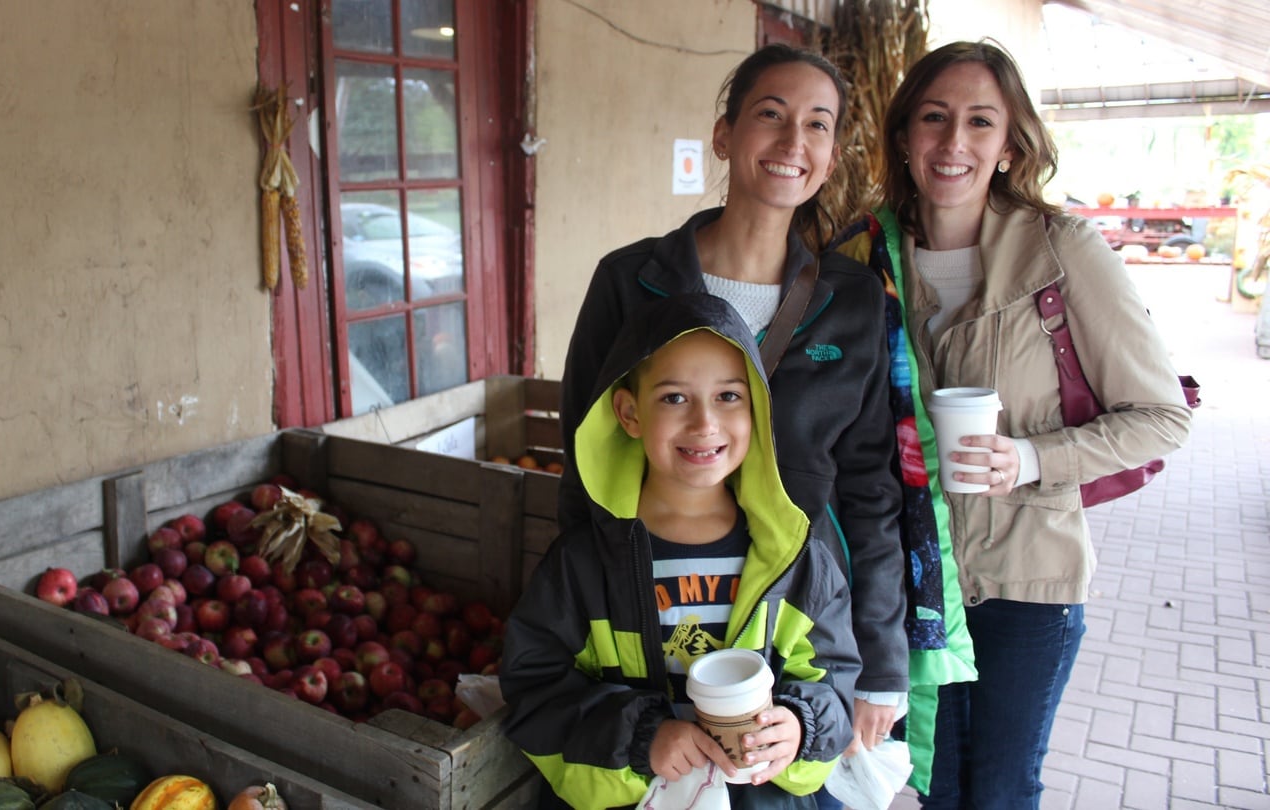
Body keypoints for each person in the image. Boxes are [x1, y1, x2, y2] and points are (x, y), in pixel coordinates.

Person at [556, 46, 909, 807]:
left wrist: (877, 666)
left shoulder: (851, 301)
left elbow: (871, 487)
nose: (792, 144)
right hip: (656, 606)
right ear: (724, 135)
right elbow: (582, 458)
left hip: (802, 616)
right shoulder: (632, 281)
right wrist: (582, 601)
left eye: (817, 125)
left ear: (831, 154)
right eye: (770, 116)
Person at [845, 40, 1194, 808]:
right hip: (906, 585)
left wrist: (1030, 458)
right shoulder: (862, 256)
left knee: (999, 791)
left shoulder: (1062, 252)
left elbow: (1162, 417)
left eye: (980, 121)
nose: (954, 142)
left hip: (1026, 584)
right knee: (933, 788)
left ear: (1010, 145)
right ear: (904, 136)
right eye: (934, 118)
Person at [502, 293, 860, 809]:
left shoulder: (795, 560)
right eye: (674, 398)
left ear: (757, 409)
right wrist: (642, 739)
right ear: (629, 413)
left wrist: (800, 727)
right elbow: (535, 690)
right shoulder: (583, 564)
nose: (704, 424)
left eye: (729, 397)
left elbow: (834, 679)